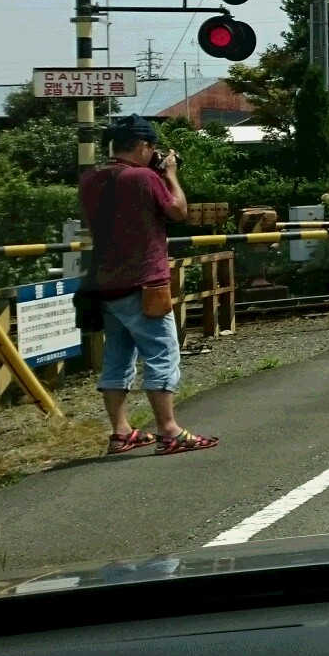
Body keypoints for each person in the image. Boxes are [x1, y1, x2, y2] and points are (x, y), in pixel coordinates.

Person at [79, 114, 218, 456]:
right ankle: (169, 431)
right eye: (152, 147)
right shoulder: (144, 177)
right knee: (161, 354)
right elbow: (178, 211)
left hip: (104, 284)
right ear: (143, 146)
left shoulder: (91, 177)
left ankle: (121, 431)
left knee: (117, 357)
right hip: (145, 282)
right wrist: (169, 174)